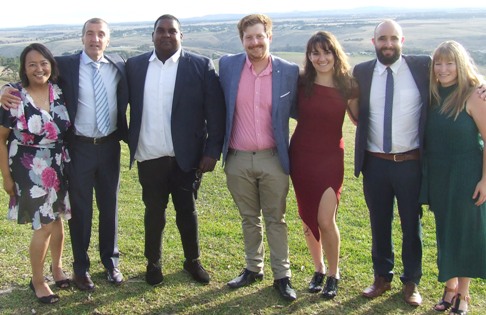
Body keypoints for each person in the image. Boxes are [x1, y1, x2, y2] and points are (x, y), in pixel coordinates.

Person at [126, 14, 225, 285]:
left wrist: (212, 151)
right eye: (161, 30)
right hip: (150, 154)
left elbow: (215, 112)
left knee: (187, 211)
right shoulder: (134, 66)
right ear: (153, 34)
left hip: (187, 156)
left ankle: (192, 261)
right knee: (153, 212)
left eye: (172, 31)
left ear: (182, 36)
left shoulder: (200, 65)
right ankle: (153, 263)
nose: (166, 35)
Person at [219, 13, 299, 301]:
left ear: (269, 37)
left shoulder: (288, 71)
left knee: (275, 219)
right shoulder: (228, 66)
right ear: (242, 40)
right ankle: (253, 267)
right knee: (248, 218)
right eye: (249, 37)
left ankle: (283, 276)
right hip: (237, 158)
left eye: (259, 36)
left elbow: (302, 110)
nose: (255, 42)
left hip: (273, 158)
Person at [353, 19, 430, 306]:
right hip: (375, 164)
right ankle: (381, 277)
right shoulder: (361, 71)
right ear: (373, 42)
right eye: (382, 39)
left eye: (393, 38)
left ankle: (411, 282)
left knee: (412, 224)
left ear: (402, 40)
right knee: (379, 222)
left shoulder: (423, 66)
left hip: (410, 162)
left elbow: (457, 76)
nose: (388, 44)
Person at [54, 18, 128, 290]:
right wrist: (6, 88)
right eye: (90, 34)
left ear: (108, 40)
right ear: (82, 37)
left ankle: (111, 263)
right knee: (81, 210)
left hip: (109, 147)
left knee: (110, 207)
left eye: (101, 35)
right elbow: (32, 72)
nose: (95, 39)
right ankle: (80, 268)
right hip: (80, 148)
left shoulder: (119, 65)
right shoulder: (66, 65)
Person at [289, 31, 358, 299]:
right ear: (309, 56)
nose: (321, 58)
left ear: (335, 53)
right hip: (302, 157)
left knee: (325, 220)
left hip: (330, 159)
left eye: (326, 52)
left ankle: (333, 272)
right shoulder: (301, 82)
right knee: (308, 219)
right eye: (315, 53)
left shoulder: (348, 85)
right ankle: (317, 269)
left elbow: (360, 118)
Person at [0, 43, 71, 304]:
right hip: (29, 167)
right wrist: (6, 178)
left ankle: (57, 267)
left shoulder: (59, 91)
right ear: (24, 69)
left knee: (59, 217)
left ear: (51, 64)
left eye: (43, 62)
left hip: (59, 163)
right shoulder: (14, 97)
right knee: (44, 224)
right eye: (32, 64)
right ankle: (38, 281)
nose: (39, 68)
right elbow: (1, 139)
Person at [420, 40, 486, 315]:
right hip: (439, 174)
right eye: (438, 63)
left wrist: (485, 180)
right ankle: (449, 286)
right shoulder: (433, 94)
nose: (443, 69)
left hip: (467, 174)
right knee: (445, 231)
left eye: (449, 63)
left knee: (465, 234)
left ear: (460, 65)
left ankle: (463, 294)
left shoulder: (474, 95)